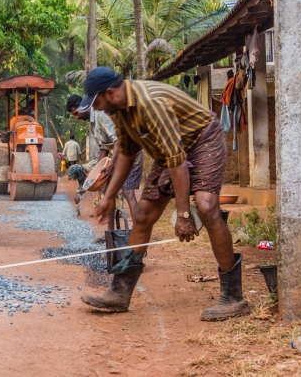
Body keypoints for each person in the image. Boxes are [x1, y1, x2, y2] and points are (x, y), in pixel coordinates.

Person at [77, 67, 248, 321]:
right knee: (143, 215)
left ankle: (234, 297)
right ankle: (119, 292)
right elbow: (127, 153)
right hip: (171, 149)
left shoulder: (150, 103)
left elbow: (177, 162)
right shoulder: (120, 111)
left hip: (203, 138)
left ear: (110, 93)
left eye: (97, 102)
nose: (97, 108)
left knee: (206, 206)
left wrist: (183, 214)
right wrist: (109, 195)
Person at [66, 95, 143, 213]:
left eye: (76, 113)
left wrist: (112, 164)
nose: (77, 117)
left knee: (128, 192)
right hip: (117, 156)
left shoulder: (101, 115)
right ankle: (109, 225)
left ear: (83, 107)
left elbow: (118, 141)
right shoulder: (92, 123)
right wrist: (96, 173)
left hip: (131, 152)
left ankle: (137, 225)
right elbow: (104, 148)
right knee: (108, 193)